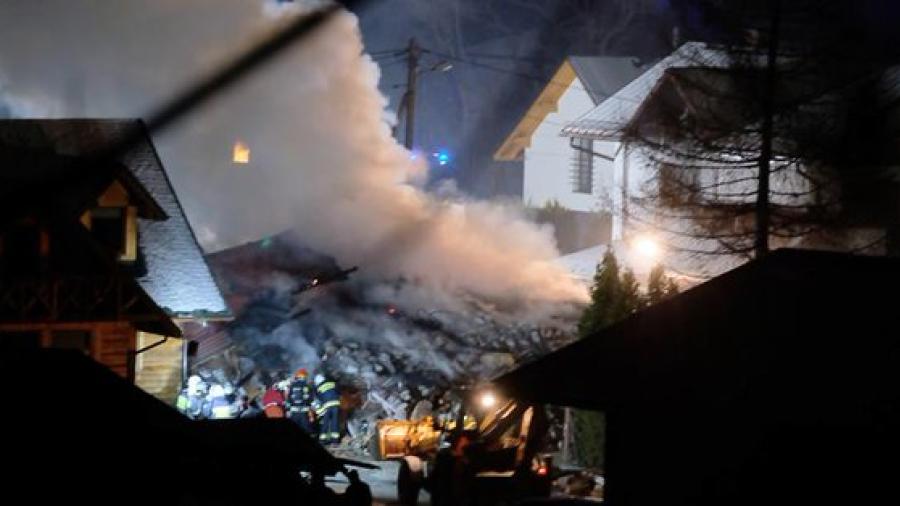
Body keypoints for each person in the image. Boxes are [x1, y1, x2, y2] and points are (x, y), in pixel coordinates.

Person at [313, 373, 341, 446]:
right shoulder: (332, 383)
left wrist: (319, 411)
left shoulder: (319, 388)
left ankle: (322, 441)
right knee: (335, 423)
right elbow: (338, 392)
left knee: (325, 423)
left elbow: (319, 400)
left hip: (327, 406)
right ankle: (335, 442)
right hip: (336, 405)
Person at [286, 368, 316, 434]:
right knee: (305, 429)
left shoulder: (292, 385)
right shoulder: (307, 386)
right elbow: (311, 399)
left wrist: (288, 410)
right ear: (304, 376)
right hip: (304, 412)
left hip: (294, 412)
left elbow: (288, 399)